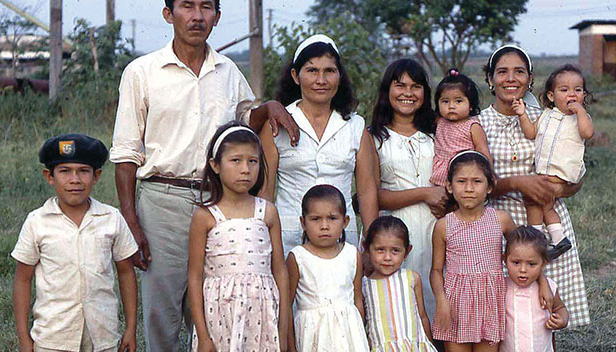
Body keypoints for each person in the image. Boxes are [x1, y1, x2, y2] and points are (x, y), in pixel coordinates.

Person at [110, 0, 298, 351]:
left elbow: (244, 123)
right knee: (162, 312)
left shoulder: (227, 71)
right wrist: (131, 219)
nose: (197, 16)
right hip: (163, 201)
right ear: (169, 13)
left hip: (219, 202)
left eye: (206, 7)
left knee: (216, 304)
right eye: (187, 6)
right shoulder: (142, 72)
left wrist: (269, 107)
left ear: (217, 15)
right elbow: (126, 153)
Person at [479, 44, 590, 328]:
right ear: (490, 79)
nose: (510, 78)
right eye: (502, 72)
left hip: (547, 223)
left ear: (530, 79)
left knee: (547, 312)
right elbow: (474, 183)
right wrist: (517, 183)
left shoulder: (549, 116)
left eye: (519, 72)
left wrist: (561, 189)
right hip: (499, 225)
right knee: (504, 317)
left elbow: (575, 171)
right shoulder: (478, 123)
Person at [12, 134, 138, 352]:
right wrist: (24, 338)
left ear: (96, 176)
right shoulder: (37, 222)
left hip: (102, 336)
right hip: (53, 337)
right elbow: (23, 279)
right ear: (49, 176)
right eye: (64, 171)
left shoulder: (111, 218)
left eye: (83, 171)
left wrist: (131, 328)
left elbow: (126, 272)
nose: (75, 180)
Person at [261, 34, 378, 253]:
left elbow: (366, 192)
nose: (321, 80)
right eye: (312, 70)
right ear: (296, 76)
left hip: (343, 242)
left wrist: (372, 244)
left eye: (329, 71)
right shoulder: (277, 125)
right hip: (289, 241)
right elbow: (265, 194)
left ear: (339, 76)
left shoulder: (355, 126)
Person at [430, 151, 553, 351]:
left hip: (490, 303)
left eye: (477, 181)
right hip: (456, 304)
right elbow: (436, 270)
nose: (469, 188)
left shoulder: (501, 219)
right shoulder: (443, 226)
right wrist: (441, 301)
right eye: (461, 181)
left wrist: (543, 282)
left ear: (489, 186)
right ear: (449, 186)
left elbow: (527, 252)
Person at [187, 122, 290, 351]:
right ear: (215, 165)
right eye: (236, 160)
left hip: (262, 315)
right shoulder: (205, 216)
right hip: (220, 316)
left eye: (252, 161)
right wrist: (203, 336)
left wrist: (282, 330)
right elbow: (194, 277)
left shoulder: (268, 212)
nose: (245, 169)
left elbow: (280, 272)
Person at [369, 58, 444, 318]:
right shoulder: (374, 137)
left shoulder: (437, 132)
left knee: (436, 301)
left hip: (437, 228)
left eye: (416, 87)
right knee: (401, 307)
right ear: (387, 90)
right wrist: (424, 193)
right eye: (400, 86)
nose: (408, 93)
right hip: (394, 233)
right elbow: (372, 195)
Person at [512, 64, 594, 260]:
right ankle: (558, 238)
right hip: (544, 173)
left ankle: (536, 239)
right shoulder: (546, 115)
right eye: (564, 90)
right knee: (544, 204)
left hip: (562, 174)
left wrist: (580, 111)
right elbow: (531, 132)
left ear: (584, 95)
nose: (571, 95)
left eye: (577, 90)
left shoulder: (580, 118)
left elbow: (587, 133)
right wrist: (522, 114)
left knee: (533, 199)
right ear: (551, 96)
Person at [286, 185, 369, 351]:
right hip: (313, 338)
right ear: (303, 222)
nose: (324, 226)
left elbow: (357, 300)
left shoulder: (352, 254)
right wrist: (290, 345)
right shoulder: (298, 257)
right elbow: (287, 305)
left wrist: (362, 336)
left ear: (345, 221)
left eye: (332, 218)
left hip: (349, 337)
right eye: (315, 219)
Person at [362, 215, 437, 352]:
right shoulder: (365, 286)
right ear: (366, 249)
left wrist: (429, 344)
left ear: (407, 251)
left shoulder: (411, 278)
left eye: (395, 250)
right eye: (380, 250)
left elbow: (422, 316)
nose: (387, 257)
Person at [501, 226, 568, 352]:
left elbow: (560, 308)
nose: (523, 270)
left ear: (543, 263)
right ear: (505, 260)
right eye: (516, 262)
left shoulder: (549, 287)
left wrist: (562, 320)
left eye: (531, 264)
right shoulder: (502, 287)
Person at [429, 69, 491, 187]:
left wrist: (489, 175)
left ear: (471, 105)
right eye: (445, 101)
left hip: (465, 174)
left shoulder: (472, 126)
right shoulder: (439, 121)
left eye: (458, 101)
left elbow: (483, 151)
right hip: (440, 176)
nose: (451, 106)